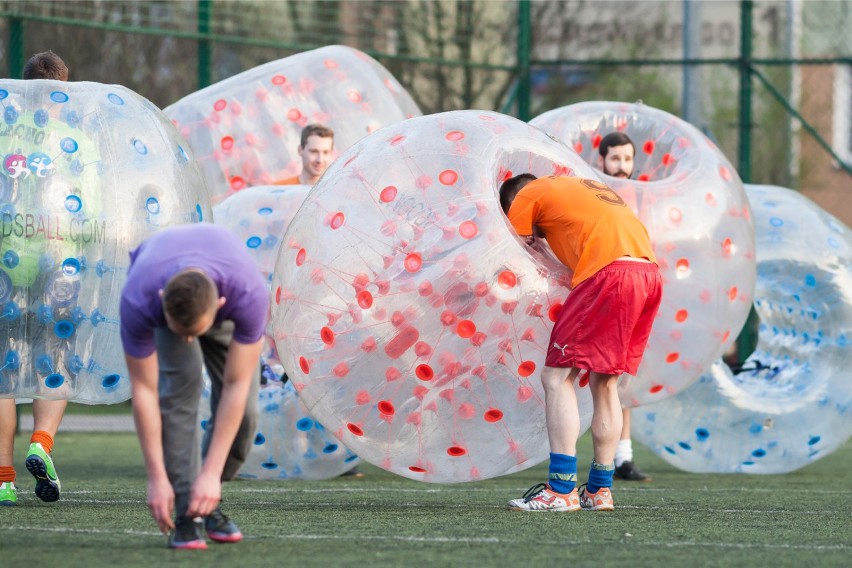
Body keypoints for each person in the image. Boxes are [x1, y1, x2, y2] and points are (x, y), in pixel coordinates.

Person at [502, 174, 662, 512]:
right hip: (647, 275)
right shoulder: (573, 188)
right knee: (605, 384)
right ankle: (599, 491)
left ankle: (561, 490)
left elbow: (512, 251)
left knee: (557, 378)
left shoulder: (524, 195)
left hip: (609, 274)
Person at [121, 224, 267, 549]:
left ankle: (207, 497)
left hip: (224, 289)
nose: (189, 340)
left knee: (246, 414)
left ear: (221, 305)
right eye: (182, 332)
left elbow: (235, 385)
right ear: (162, 301)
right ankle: (191, 513)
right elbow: (145, 391)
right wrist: (157, 478)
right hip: (162, 278)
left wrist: (212, 474)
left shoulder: (248, 294)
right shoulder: (140, 296)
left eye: (195, 332)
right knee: (179, 394)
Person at [0, 50, 71, 508]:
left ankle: (3, 478)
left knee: (3, 372)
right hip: (57, 260)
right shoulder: (74, 139)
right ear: (65, 91)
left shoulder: (4, 132)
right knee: (54, 360)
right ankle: (41, 442)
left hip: (5, 258)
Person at [596, 131, 652, 483]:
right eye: (615, 158)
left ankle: (623, 457)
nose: (622, 166)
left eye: (628, 159)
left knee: (621, 375)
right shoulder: (593, 191)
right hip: (596, 283)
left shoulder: (639, 197)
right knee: (587, 376)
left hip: (630, 288)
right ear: (600, 159)